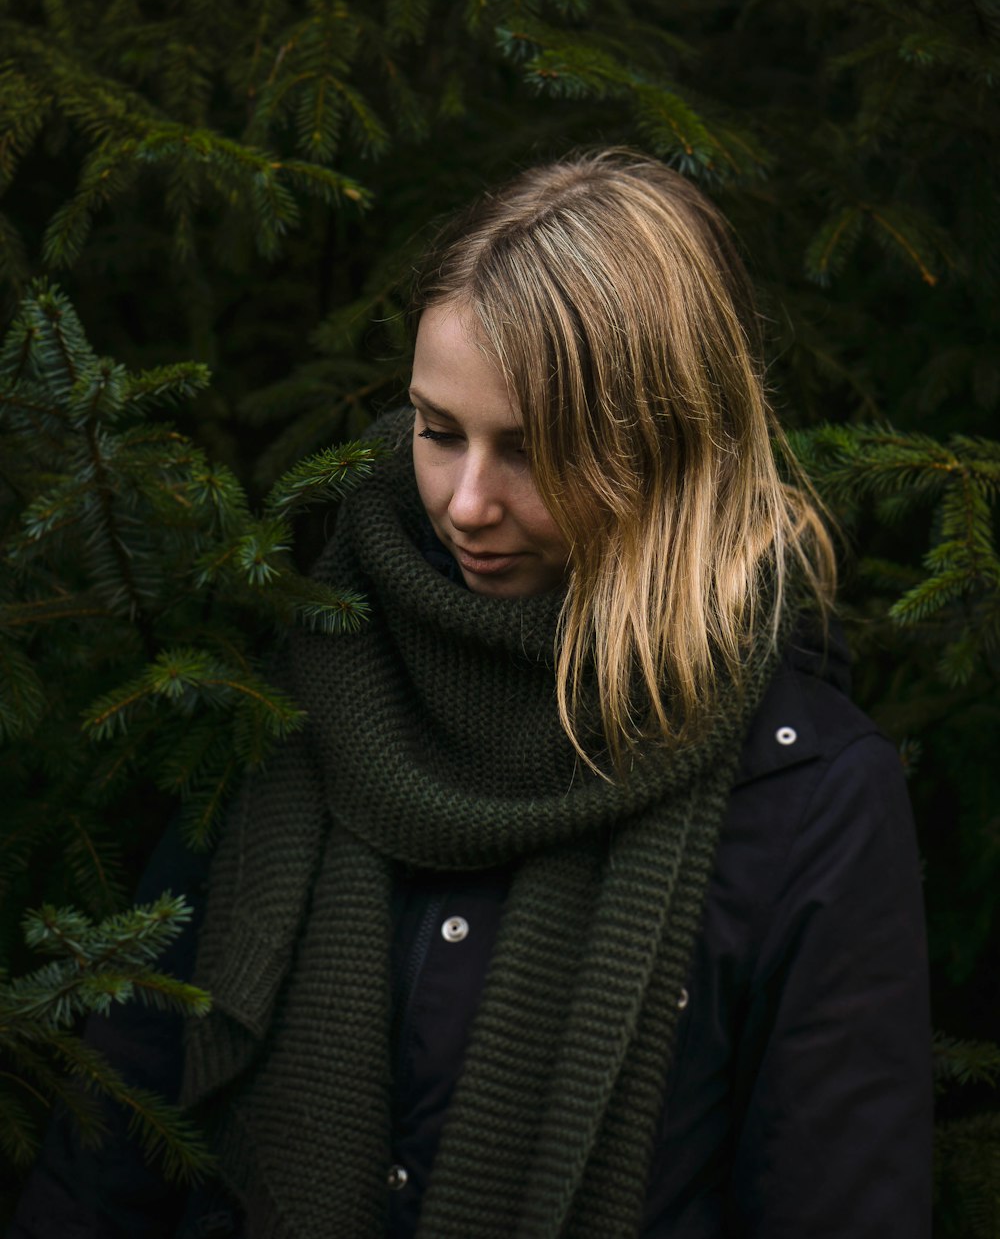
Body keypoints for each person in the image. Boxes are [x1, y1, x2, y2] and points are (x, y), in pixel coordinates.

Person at [10, 150, 932, 1238]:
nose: (465, 502)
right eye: (437, 431)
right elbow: (113, 1152)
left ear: (662, 450)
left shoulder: (804, 796)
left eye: (532, 452)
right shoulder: (314, 669)